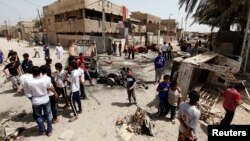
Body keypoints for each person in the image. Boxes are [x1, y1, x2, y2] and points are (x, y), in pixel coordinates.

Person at [28, 66, 58, 136]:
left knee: (38, 116)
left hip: (36, 101)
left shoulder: (30, 82)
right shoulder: (46, 80)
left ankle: (42, 130)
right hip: (45, 99)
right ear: (40, 73)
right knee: (48, 115)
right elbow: (50, 88)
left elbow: (28, 93)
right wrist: (55, 93)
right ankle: (50, 130)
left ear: (33, 74)